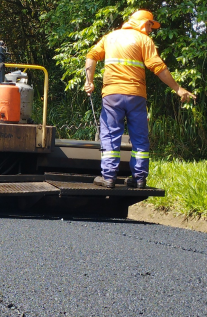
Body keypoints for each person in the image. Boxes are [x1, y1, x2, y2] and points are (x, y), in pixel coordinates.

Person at [84, 10, 196, 189]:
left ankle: (108, 177)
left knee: (110, 135)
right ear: (143, 23)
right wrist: (178, 88)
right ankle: (139, 179)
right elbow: (157, 66)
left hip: (112, 95)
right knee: (139, 137)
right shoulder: (144, 40)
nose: (151, 29)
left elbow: (91, 56)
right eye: (150, 25)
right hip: (136, 96)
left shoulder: (110, 37)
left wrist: (89, 81)